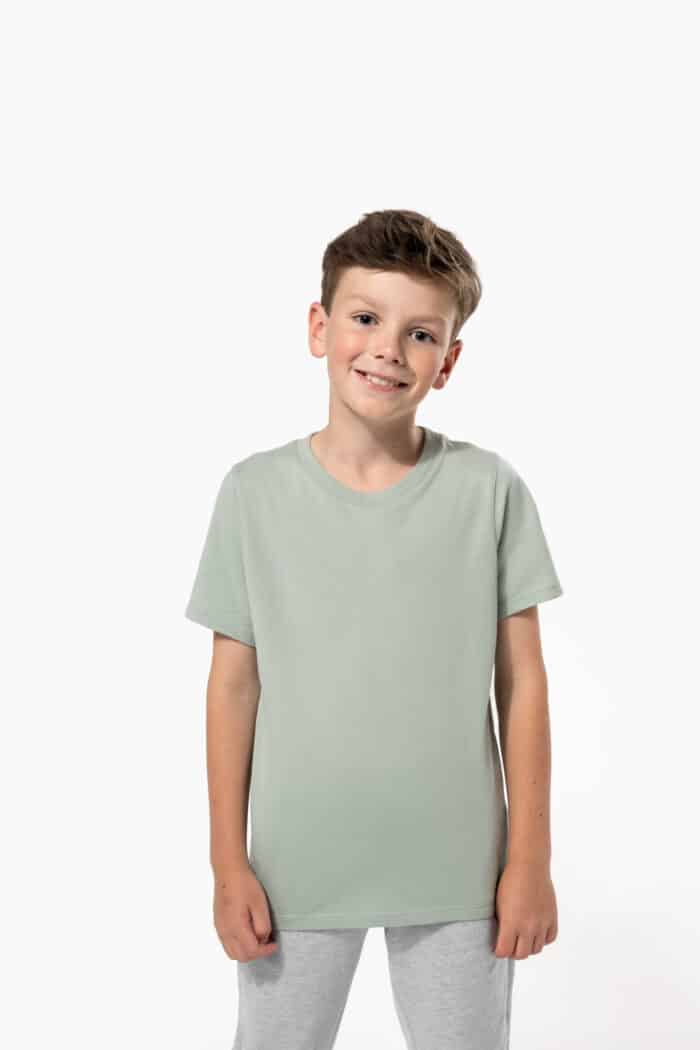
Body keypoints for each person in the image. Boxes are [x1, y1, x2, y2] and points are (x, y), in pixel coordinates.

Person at [184, 208, 564, 1050]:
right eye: (365, 318)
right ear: (319, 328)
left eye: (420, 333)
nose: (388, 349)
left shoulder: (488, 491)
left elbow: (523, 685)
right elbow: (232, 688)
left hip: (460, 868)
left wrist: (530, 861)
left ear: (448, 360)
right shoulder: (253, 494)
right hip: (295, 868)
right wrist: (227, 863)